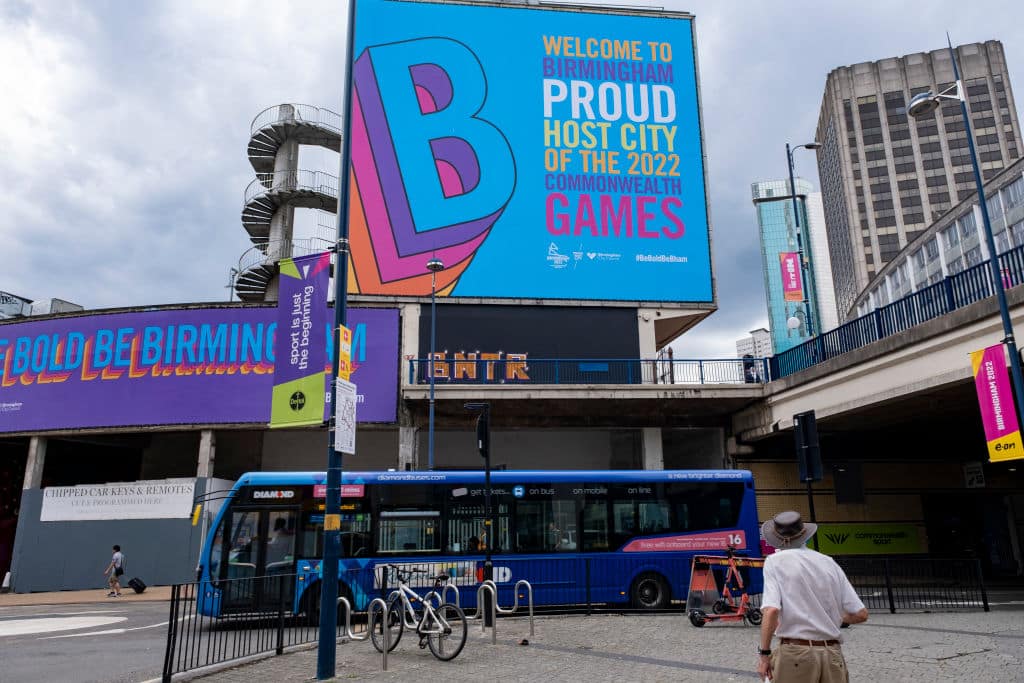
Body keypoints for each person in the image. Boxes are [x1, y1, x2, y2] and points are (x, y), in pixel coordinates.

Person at [756, 511, 868, 682]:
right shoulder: (828, 562)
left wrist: (764, 654)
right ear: (804, 535)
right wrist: (832, 618)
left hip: (796, 654)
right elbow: (861, 614)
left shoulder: (774, 561)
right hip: (832, 654)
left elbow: (771, 610)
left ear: (777, 538)